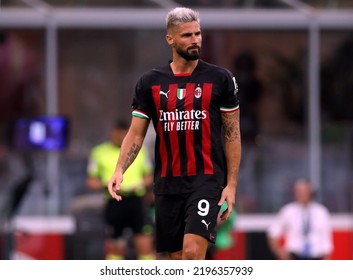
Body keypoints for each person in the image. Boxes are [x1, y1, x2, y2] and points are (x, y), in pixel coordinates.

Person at [107, 7, 241, 260]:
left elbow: (232, 134)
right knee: (177, 260)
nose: (195, 40)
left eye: (198, 34)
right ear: (170, 39)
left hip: (206, 180)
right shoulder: (150, 83)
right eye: (187, 35)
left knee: (192, 253)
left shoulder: (220, 79)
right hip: (168, 183)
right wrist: (119, 169)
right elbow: (136, 134)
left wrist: (231, 185)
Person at [86, 120, 156, 260]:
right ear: (112, 133)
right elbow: (91, 181)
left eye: (124, 134)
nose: (121, 137)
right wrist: (107, 185)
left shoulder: (139, 151)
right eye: (118, 133)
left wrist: (141, 184)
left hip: (137, 201)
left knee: (145, 244)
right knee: (116, 247)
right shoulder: (99, 152)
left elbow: (149, 176)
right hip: (114, 201)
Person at [267, 178, 333, 260]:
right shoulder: (288, 211)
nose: (301, 194)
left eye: (304, 190)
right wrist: (280, 253)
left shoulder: (321, 212)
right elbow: (273, 233)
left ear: (310, 192)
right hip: (294, 256)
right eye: (298, 191)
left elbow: (326, 239)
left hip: (316, 257)